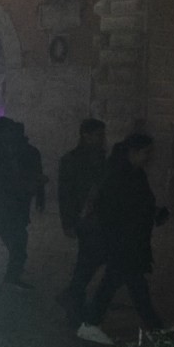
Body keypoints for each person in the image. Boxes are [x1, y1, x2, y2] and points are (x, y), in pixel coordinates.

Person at [77, 133, 169, 344]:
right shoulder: (120, 175)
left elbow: (138, 203)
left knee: (120, 283)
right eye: (146, 152)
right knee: (133, 286)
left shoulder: (134, 173)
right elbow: (115, 209)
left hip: (129, 240)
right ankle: (156, 330)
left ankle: (91, 323)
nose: (149, 157)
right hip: (124, 240)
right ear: (133, 151)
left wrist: (153, 212)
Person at [54, 118, 108, 326]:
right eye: (98, 135)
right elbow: (65, 194)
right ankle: (73, 299)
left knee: (87, 260)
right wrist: (67, 222)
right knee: (89, 260)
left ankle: (73, 299)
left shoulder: (100, 157)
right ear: (86, 135)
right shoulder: (72, 160)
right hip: (85, 218)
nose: (102, 139)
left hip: (96, 218)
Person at [0, 117, 35, 290]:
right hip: (0, 206)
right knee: (15, 242)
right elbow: (2, 179)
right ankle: (6, 277)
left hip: (2, 206)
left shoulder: (5, 151)